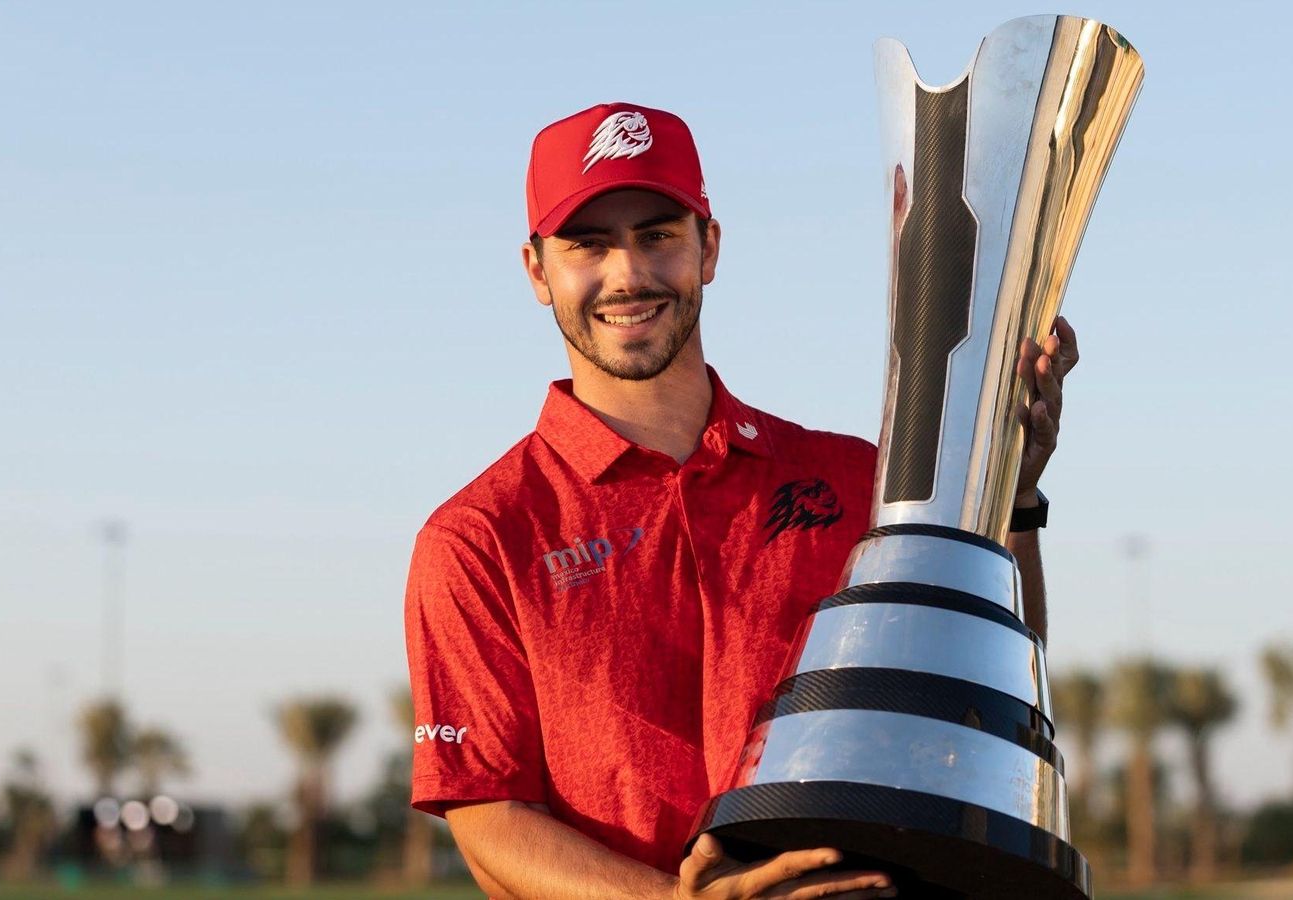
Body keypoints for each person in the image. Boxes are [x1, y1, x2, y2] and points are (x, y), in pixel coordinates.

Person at [404, 102, 1079, 900]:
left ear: (709, 248)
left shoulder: (854, 477)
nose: (628, 275)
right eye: (589, 244)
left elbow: (984, 695)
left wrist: (1013, 500)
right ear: (535, 269)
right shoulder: (480, 536)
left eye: (658, 235)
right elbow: (488, 812)